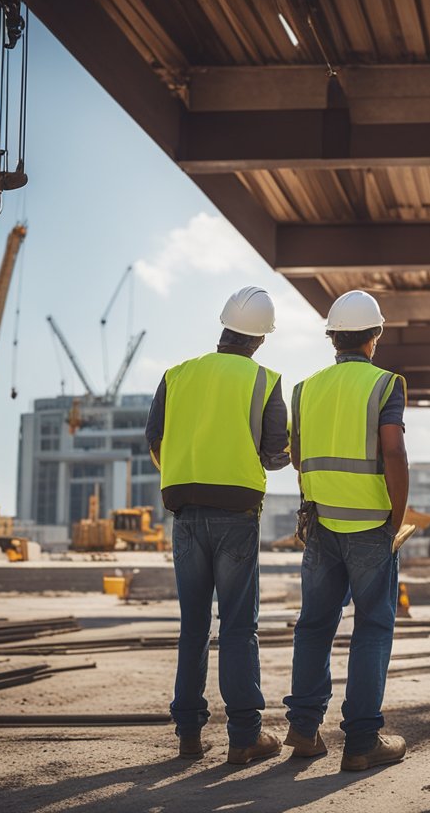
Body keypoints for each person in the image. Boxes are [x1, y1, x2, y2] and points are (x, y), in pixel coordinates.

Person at [145, 286, 289, 765]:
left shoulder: (177, 375)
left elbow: (155, 441)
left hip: (185, 516)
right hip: (237, 517)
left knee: (193, 626)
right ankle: (245, 735)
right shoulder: (265, 380)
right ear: (261, 339)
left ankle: (188, 733)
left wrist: (187, 473)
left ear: (223, 326)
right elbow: (273, 455)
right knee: (238, 627)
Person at [282, 290, 410, 772]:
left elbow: (297, 456)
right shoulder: (385, 384)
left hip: (320, 523)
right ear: (374, 337)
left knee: (314, 624)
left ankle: (304, 725)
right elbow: (393, 452)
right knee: (373, 627)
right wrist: (397, 517)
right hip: (371, 525)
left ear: (332, 337)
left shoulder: (306, 388)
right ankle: (360, 741)